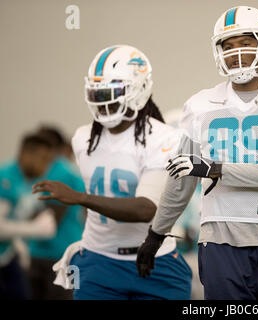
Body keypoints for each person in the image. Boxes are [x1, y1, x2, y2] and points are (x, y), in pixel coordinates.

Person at [137, 6, 258, 300]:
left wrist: (214, 167)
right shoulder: (200, 105)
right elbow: (181, 179)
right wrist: (155, 234)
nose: (236, 53)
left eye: (246, 42)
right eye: (229, 45)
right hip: (219, 242)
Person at [32, 44, 192, 300]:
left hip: (155, 260)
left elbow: (146, 209)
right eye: (97, 93)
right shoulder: (83, 139)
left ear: (139, 90)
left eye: (111, 92)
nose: (103, 101)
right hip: (99, 261)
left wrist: (81, 198)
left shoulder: (165, 138)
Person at [27, 126, 85, 300]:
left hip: (59, 255)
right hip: (48, 252)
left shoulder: (59, 172)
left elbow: (51, 220)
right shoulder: (61, 170)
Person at [0, 134, 57, 299]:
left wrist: (19, 247)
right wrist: (34, 229)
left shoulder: (33, 181)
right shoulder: (5, 178)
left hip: (7, 254)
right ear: (26, 154)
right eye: (43, 159)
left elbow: (15, 218)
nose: (46, 166)